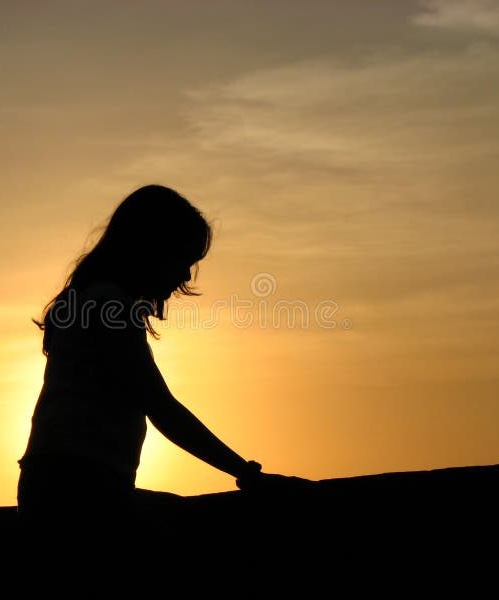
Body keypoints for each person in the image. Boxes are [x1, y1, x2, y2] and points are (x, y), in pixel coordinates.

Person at [17, 184, 309, 549]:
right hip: (81, 489)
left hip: (57, 484)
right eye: (184, 258)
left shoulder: (89, 302)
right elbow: (161, 408)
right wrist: (248, 474)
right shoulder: (110, 306)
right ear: (153, 249)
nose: (186, 276)